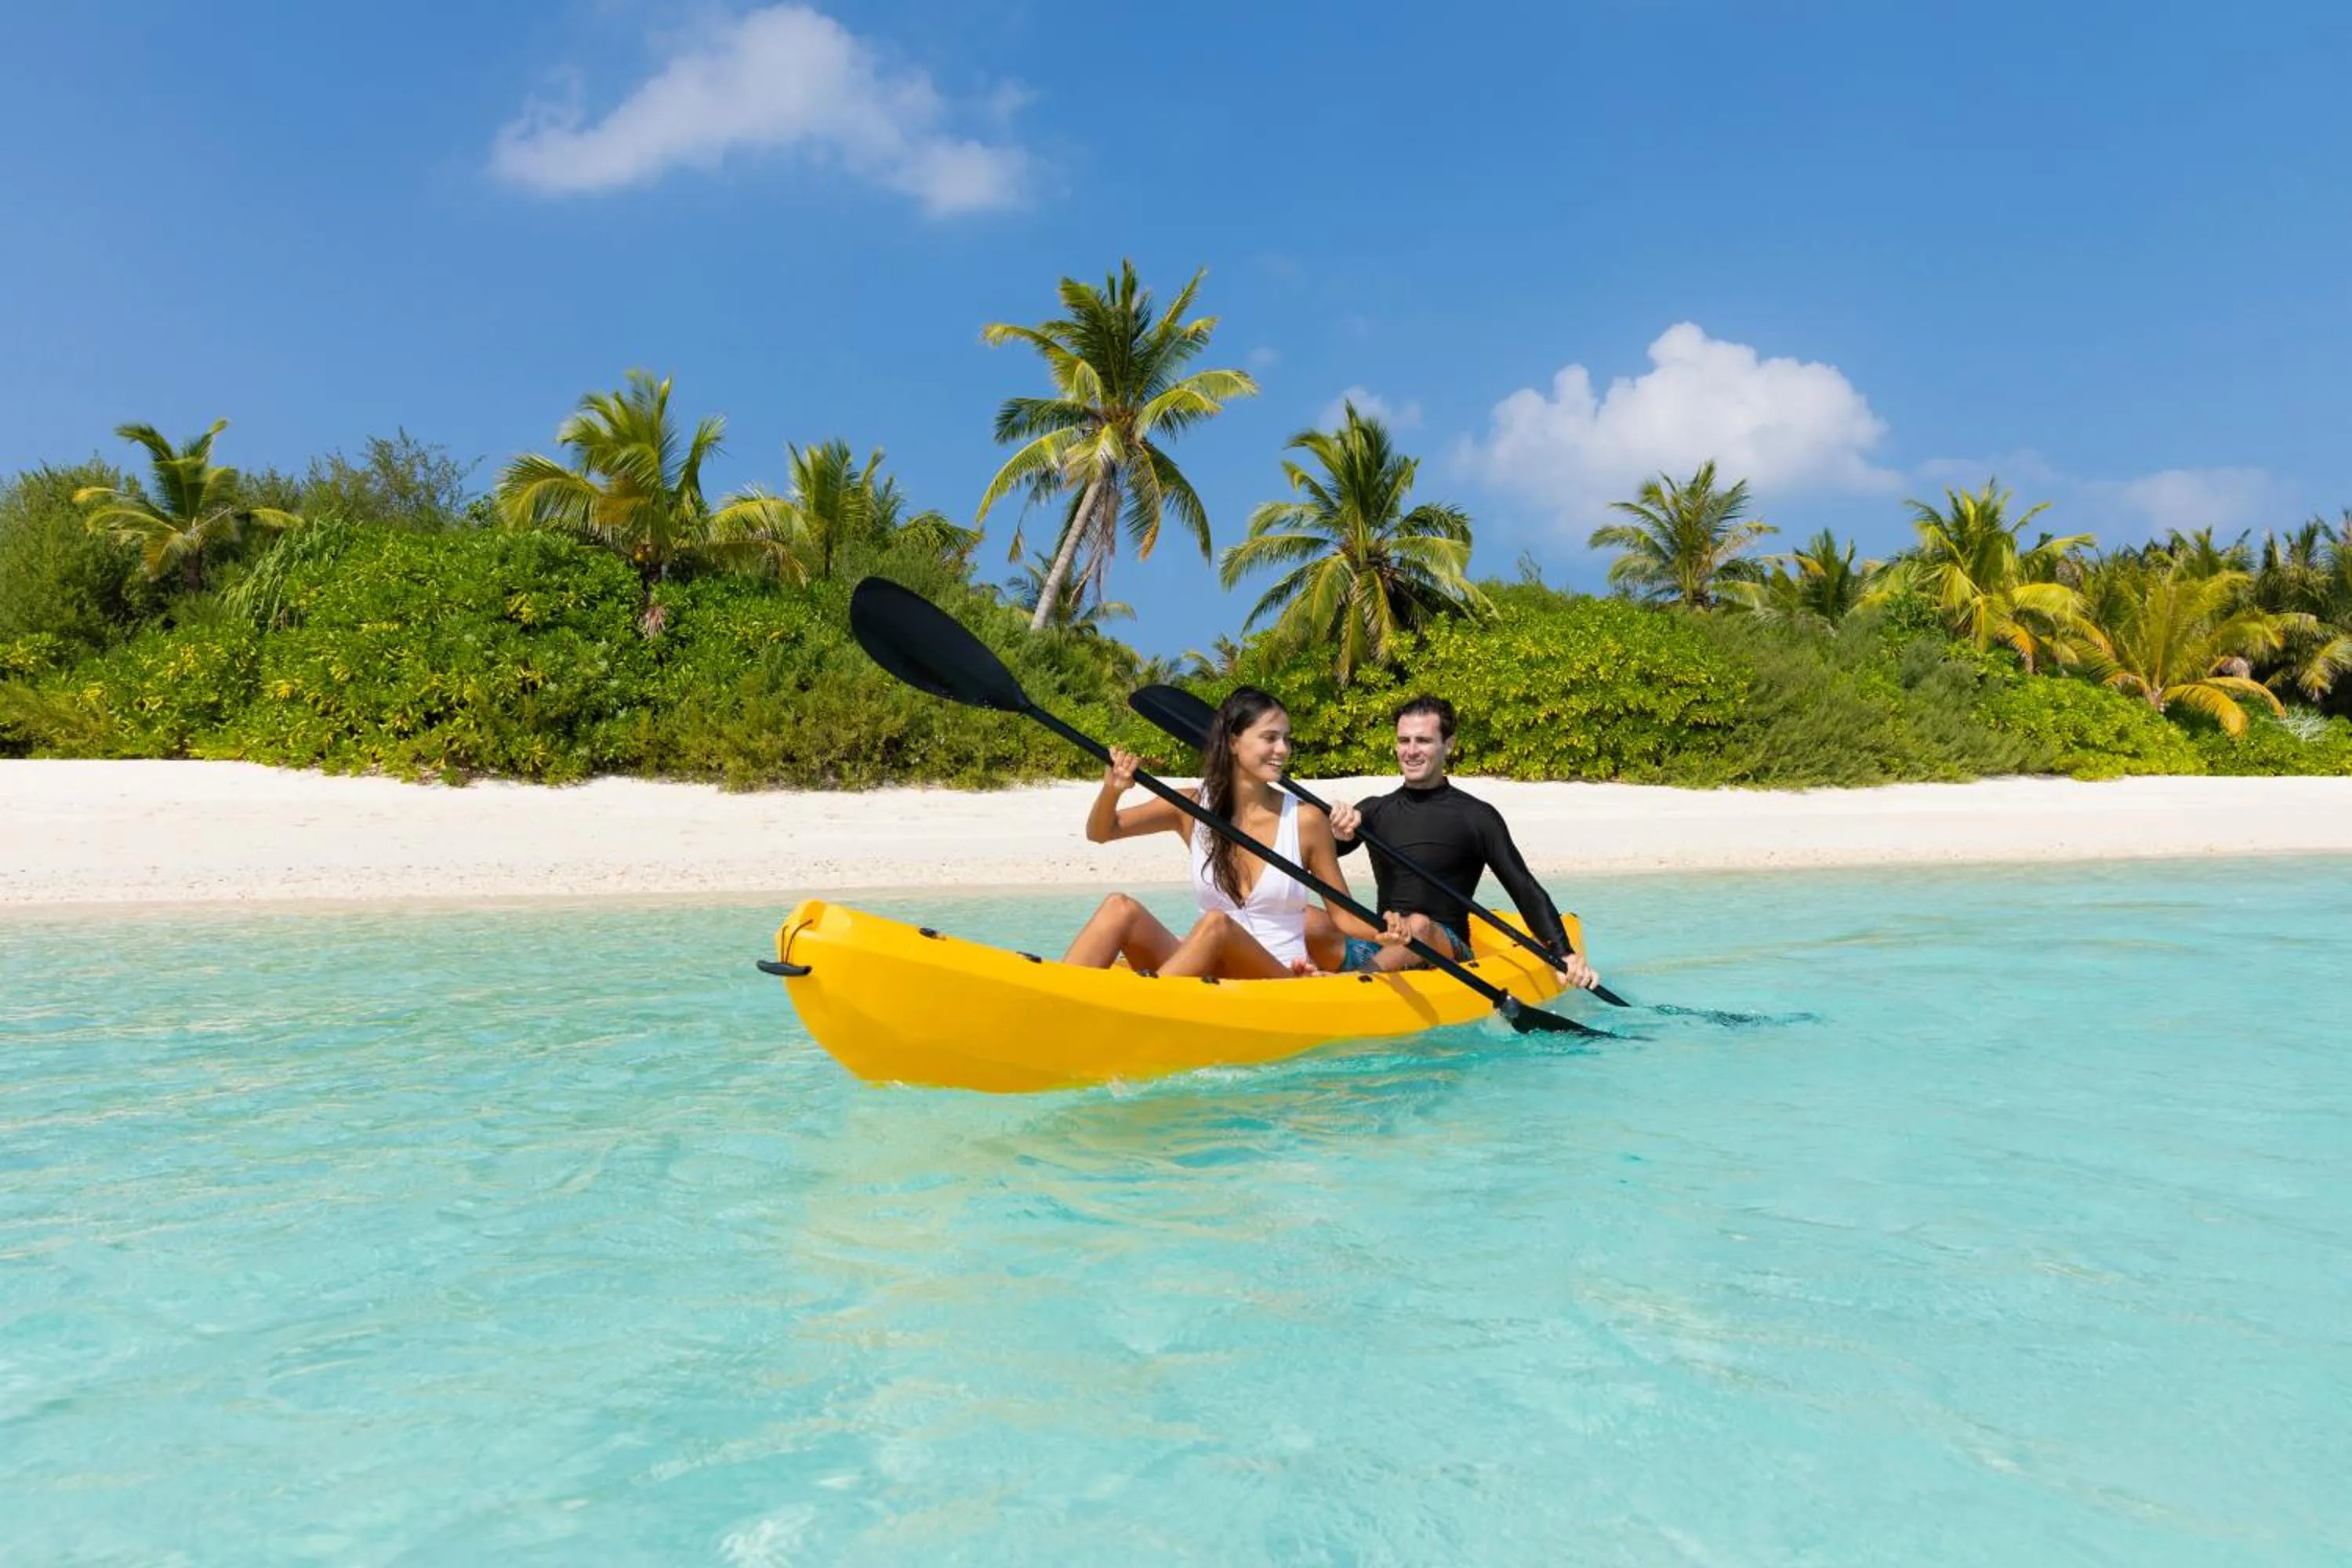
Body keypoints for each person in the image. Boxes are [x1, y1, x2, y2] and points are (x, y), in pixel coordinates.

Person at [1062, 686, 1377, 978]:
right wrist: (1112, 790)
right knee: (1119, 908)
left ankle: (1146, 1002)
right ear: (1233, 742)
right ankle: (1058, 996)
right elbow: (1101, 832)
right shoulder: (1190, 806)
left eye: (1286, 739)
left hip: (1275, 977)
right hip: (1209, 972)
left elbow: (1345, 918)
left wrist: (1391, 931)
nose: (1283, 749)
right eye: (1270, 738)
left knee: (1217, 924)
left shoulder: (1305, 820)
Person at [1322, 695, 1602, 991]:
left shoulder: (1476, 816)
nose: (1411, 751)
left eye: (1423, 741)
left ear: (1449, 744)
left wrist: (1563, 952)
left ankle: (1350, 985)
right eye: (1404, 741)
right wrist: (1336, 835)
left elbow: (1524, 888)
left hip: (1446, 950)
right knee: (1309, 921)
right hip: (1385, 942)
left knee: (1418, 924)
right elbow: (1312, 858)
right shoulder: (1373, 811)